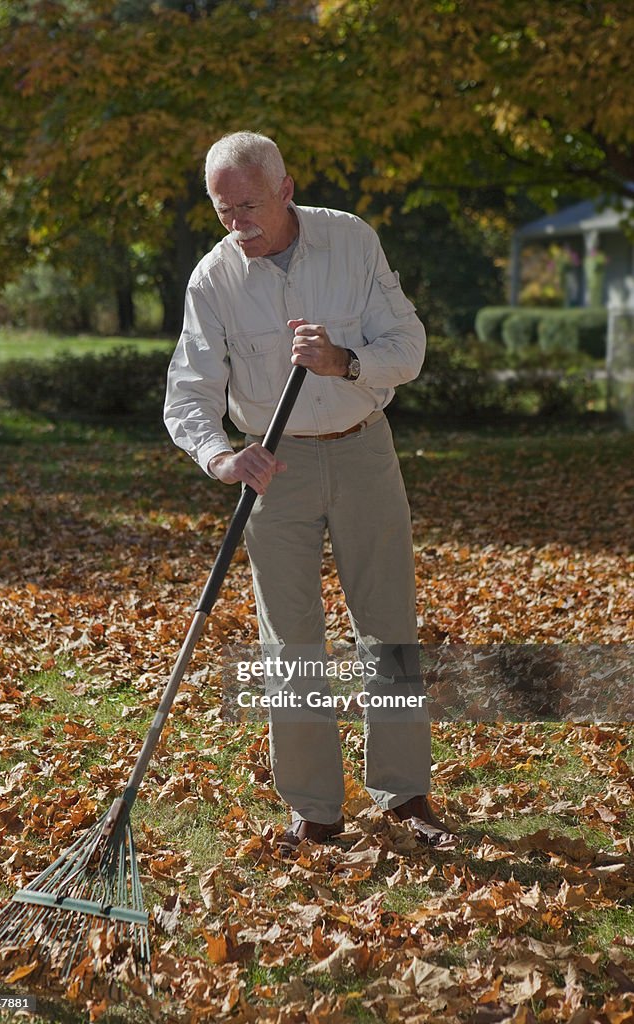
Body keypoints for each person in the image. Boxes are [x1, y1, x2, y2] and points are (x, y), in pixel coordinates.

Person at [164, 130, 456, 854]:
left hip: (363, 451)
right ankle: (315, 812)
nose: (238, 223)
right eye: (223, 209)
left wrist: (342, 361)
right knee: (288, 642)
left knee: (387, 628)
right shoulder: (214, 277)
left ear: (285, 188)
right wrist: (219, 458)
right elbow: (189, 390)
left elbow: (408, 347)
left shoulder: (350, 242)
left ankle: (404, 797)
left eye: (250, 205)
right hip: (273, 467)